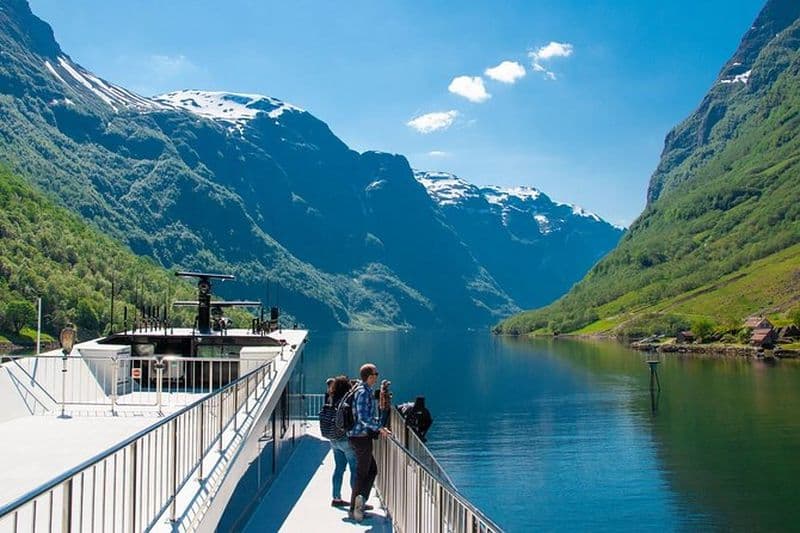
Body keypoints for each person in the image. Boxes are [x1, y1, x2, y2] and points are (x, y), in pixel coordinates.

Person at [348, 363, 391, 522]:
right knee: (363, 473)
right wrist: (380, 428)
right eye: (375, 374)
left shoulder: (362, 390)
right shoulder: (364, 392)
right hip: (360, 437)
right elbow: (363, 418)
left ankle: (360, 501)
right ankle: (355, 508)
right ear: (370, 376)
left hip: (358, 436)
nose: (377, 377)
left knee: (371, 470)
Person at [327, 376, 357, 507]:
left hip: (333, 439)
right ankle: (355, 501)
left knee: (339, 468)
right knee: (354, 469)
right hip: (345, 439)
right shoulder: (346, 401)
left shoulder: (331, 399)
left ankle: (336, 498)